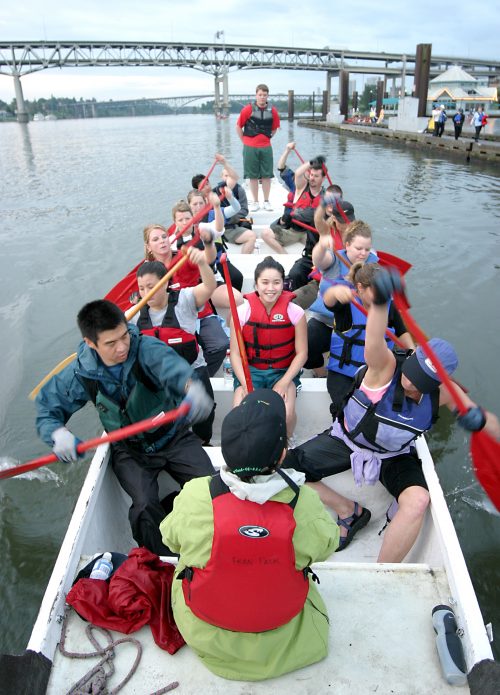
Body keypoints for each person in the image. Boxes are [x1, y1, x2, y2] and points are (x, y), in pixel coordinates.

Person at [287, 270, 500, 562]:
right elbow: (374, 340)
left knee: (418, 500)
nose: (410, 382)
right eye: (412, 373)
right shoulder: (385, 367)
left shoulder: (445, 393)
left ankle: (383, 573)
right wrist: (380, 302)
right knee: (285, 468)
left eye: (421, 382)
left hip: (394, 455)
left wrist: (480, 422)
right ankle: (349, 510)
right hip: (347, 441)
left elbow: (487, 421)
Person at [159, 389, 339, 681]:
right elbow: (326, 546)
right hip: (283, 631)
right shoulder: (303, 503)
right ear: (282, 454)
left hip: (209, 630)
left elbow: (170, 538)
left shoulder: (196, 494)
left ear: (224, 450)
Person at [36, 299, 215, 555]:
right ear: (90, 343)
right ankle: (162, 559)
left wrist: (191, 388)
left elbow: (174, 369)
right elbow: (47, 408)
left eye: (124, 336)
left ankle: (213, 544)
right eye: (111, 343)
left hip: (173, 436)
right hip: (131, 451)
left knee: (212, 487)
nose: (122, 347)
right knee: (143, 506)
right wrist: (57, 433)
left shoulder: (145, 348)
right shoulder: (81, 372)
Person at [131, 256, 216, 445]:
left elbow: (209, 287)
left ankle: (203, 441)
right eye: (141, 288)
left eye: (150, 286)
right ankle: (177, 443)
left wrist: (202, 263)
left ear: (166, 283)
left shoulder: (185, 300)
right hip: (161, 378)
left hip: (193, 369)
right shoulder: (135, 315)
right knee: (171, 420)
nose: (146, 293)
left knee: (205, 414)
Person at [321, 262, 413, 418]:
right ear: (360, 288)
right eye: (377, 291)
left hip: (376, 374)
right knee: (345, 411)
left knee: (381, 412)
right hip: (344, 374)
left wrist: (412, 351)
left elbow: (402, 332)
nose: (382, 296)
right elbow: (328, 301)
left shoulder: (388, 307)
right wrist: (335, 291)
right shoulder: (346, 305)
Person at [230, 256, 307, 437]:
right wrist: (246, 383)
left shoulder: (295, 312)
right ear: (256, 285)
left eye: (276, 282)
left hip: (283, 371)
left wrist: (284, 381)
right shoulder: (241, 313)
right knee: (238, 412)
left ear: (283, 284)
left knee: (286, 415)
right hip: (251, 371)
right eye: (265, 282)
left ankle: (285, 444)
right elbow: (234, 354)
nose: (270, 288)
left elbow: (302, 353)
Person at [144, 215, 229, 377]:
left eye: (164, 237)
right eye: (155, 239)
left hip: (198, 313)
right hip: (169, 320)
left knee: (220, 344)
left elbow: (209, 258)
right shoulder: (147, 271)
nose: (162, 241)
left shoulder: (183, 256)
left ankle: (201, 376)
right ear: (148, 247)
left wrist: (209, 243)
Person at [261, 156, 326, 256]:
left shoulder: (325, 196)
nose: (312, 178)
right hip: (292, 231)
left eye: (316, 176)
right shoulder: (301, 188)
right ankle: (284, 256)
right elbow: (298, 174)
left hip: (309, 233)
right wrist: (311, 162)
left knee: (327, 246)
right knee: (265, 234)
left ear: (323, 178)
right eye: (311, 175)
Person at [236, 83, 280, 212]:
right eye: (260, 95)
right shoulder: (247, 109)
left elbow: (275, 128)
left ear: (267, 96)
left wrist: (268, 137)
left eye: (264, 95)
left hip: (266, 146)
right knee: (253, 175)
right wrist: (244, 140)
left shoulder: (272, 111)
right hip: (250, 147)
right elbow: (238, 126)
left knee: (267, 175)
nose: (262, 97)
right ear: (256, 95)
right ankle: (255, 202)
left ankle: (266, 201)